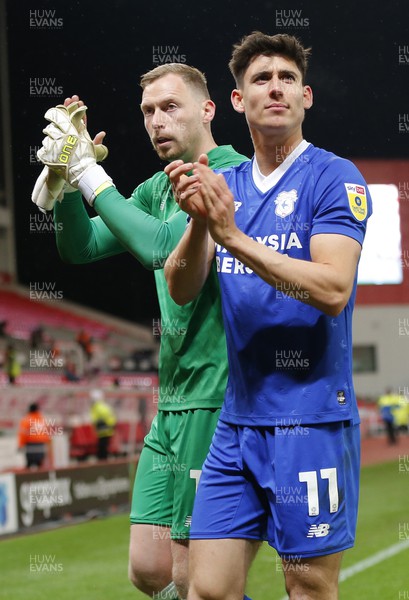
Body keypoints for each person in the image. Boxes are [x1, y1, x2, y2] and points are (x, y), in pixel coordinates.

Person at [165, 32, 372, 599]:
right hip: (237, 423)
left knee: (307, 588)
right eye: (260, 79)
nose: (275, 88)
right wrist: (202, 224)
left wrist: (232, 234)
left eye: (287, 79)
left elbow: (332, 288)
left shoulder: (334, 177)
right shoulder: (224, 185)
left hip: (310, 420)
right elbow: (181, 288)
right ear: (238, 101)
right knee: (207, 589)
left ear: (306, 98)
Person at [34, 63, 248, 599]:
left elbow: (157, 248)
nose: (156, 121)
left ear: (208, 109)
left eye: (170, 107)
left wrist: (90, 176)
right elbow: (79, 248)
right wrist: (64, 186)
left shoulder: (230, 174)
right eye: (148, 111)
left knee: (195, 579)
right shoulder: (157, 186)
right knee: (149, 569)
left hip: (215, 402)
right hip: (171, 404)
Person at [18, 403, 51, 468]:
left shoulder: (26, 420)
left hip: (31, 446)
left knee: (29, 465)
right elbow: (47, 433)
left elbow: (23, 434)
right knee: (40, 465)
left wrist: (20, 445)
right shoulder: (42, 420)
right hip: (41, 445)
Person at [89, 389, 117, 459]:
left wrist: (103, 424)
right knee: (103, 449)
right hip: (106, 431)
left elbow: (106, 418)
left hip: (104, 431)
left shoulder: (99, 407)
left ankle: (102, 463)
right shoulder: (102, 405)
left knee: (102, 450)